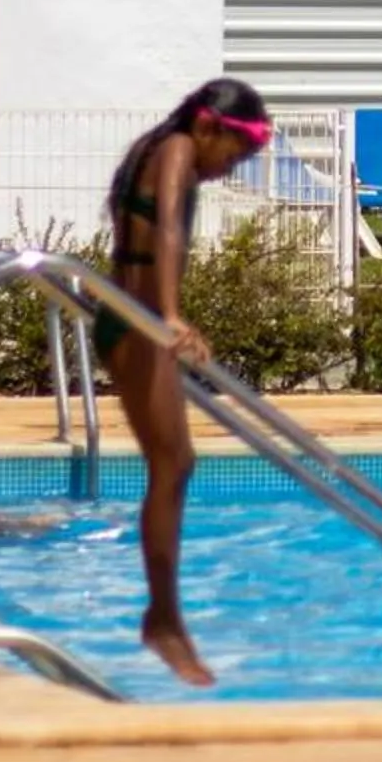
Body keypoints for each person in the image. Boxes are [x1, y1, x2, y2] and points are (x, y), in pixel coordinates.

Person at [96, 77, 272, 687]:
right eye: (234, 155)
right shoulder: (174, 150)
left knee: (175, 465)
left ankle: (166, 618)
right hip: (138, 325)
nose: (231, 169)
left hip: (135, 323)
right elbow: (168, 225)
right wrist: (169, 316)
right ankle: (164, 620)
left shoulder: (157, 146)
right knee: (172, 465)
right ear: (206, 128)